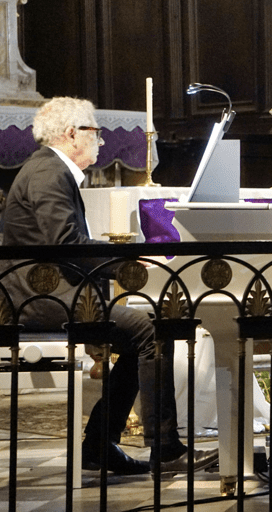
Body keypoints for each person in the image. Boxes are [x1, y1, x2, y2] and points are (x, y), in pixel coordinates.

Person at [0, 97, 218, 475]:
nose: (101, 141)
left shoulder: (49, 169)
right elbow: (65, 243)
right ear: (72, 134)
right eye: (95, 132)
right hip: (38, 297)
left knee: (142, 335)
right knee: (150, 332)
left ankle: (101, 445)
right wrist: (127, 262)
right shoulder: (49, 172)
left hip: (46, 291)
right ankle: (165, 450)